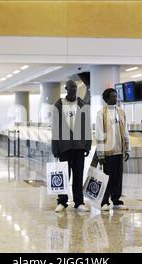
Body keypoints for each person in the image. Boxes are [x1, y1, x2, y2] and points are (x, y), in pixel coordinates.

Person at [51, 80, 92, 213]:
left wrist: (88, 145)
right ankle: (62, 201)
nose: (74, 89)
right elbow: (55, 128)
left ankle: (79, 202)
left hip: (79, 146)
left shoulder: (82, 105)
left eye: (75, 87)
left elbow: (87, 127)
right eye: (71, 87)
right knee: (63, 174)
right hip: (64, 146)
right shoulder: (58, 105)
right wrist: (55, 148)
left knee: (78, 175)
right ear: (66, 89)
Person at [95, 88, 130, 211]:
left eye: (116, 96)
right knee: (107, 177)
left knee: (118, 177)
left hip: (119, 150)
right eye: (113, 96)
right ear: (106, 99)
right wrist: (100, 154)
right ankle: (104, 201)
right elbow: (99, 134)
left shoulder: (121, 112)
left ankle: (116, 200)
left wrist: (127, 148)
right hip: (107, 151)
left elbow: (125, 130)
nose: (116, 98)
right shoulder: (101, 113)